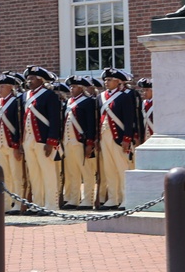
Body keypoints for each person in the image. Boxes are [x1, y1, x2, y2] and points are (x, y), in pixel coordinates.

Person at [21, 65, 62, 214]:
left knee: (48, 173)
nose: (29, 81)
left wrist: (51, 141)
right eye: (28, 78)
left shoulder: (49, 96)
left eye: (32, 78)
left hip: (43, 140)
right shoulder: (26, 96)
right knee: (34, 174)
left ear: (40, 80)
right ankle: (38, 204)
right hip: (28, 140)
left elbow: (54, 120)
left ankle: (51, 204)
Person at [97, 68, 136, 210]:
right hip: (104, 136)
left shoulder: (124, 96)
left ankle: (126, 198)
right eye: (105, 80)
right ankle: (113, 198)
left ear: (118, 82)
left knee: (122, 168)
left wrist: (127, 138)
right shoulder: (101, 97)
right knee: (109, 168)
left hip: (118, 137)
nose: (106, 82)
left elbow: (128, 118)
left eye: (109, 80)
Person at [61, 76, 98, 210]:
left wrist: (89, 143)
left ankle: (88, 199)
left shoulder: (88, 102)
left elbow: (90, 124)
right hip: (68, 141)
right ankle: (73, 198)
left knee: (86, 171)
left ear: (82, 88)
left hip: (80, 141)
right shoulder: (69, 102)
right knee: (72, 172)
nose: (71, 89)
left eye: (75, 86)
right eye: (71, 87)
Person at [0, 72, 24, 214]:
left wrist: (17, 145)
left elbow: (18, 125)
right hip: (1, 144)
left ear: (11, 87)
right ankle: (6, 203)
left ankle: (18, 202)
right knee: (5, 176)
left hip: (12, 144)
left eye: (2, 86)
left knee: (16, 175)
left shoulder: (16, 102)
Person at [138, 78, 155, 143]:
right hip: (146, 136)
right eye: (143, 90)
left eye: (147, 90)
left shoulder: (158, 103)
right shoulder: (143, 103)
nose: (144, 92)